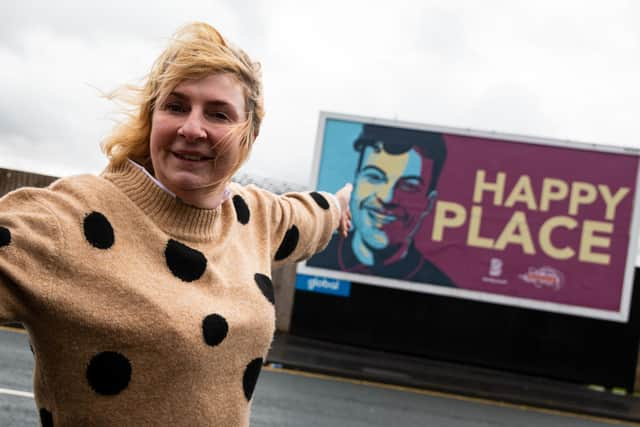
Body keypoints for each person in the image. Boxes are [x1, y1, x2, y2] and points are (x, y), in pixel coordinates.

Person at [0, 23, 351, 426]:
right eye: (176, 106)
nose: (192, 129)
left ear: (249, 134)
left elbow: (312, 215)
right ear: (152, 118)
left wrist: (340, 204)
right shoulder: (67, 219)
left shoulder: (256, 217)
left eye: (218, 114)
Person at [307, 123, 454, 287]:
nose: (387, 197)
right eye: (374, 177)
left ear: (429, 203)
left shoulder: (440, 286)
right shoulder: (311, 257)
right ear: (355, 181)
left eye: (409, 186)